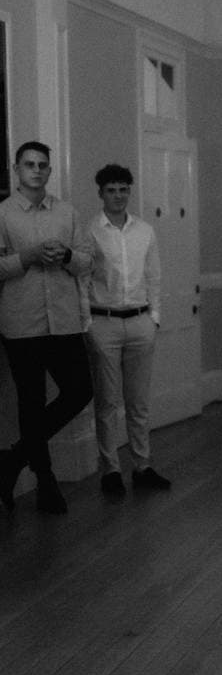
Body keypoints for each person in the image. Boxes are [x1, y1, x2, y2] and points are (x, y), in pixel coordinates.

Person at [0, 141, 93, 515]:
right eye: (29, 164)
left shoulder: (66, 212)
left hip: (65, 320)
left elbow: (87, 261)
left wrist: (67, 256)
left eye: (42, 165)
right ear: (16, 168)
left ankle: (12, 459)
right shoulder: (3, 214)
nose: (36, 170)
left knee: (79, 391)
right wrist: (27, 257)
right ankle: (46, 481)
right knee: (31, 402)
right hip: (22, 322)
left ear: (50, 171)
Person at [86, 164, 171, 496]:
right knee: (107, 402)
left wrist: (154, 317)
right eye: (111, 190)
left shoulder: (145, 231)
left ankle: (142, 466)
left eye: (123, 189)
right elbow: (82, 279)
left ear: (129, 192)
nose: (118, 196)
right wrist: (87, 323)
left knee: (138, 401)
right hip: (103, 322)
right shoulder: (90, 231)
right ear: (101, 193)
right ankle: (110, 470)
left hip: (140, 322)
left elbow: (154, 276)